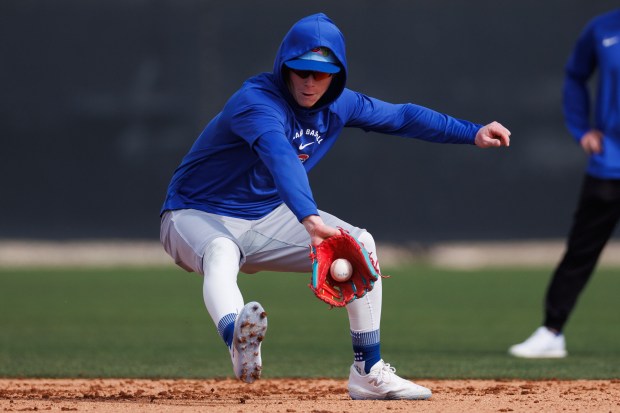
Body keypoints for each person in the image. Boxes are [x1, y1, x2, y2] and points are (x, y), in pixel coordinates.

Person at [160, 13, 510, 399]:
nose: (310, 82)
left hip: (266, 217)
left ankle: (368, 371)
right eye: (301, 71)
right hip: (194, 213)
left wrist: (472, 132)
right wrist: (309, 218)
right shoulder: (256, 102)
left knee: (360, 244)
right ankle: (237, 337)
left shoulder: (340, 105)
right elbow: (281, 156)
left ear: (337, 74)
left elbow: (403, 116)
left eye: (322, 74)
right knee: (221, 252)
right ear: (284, 67)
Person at [509, 9, 620, 359]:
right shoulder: (602, 28)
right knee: (582, 249)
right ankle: (551, 331)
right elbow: (575, 76)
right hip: (610, 160)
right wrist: (581, 128)